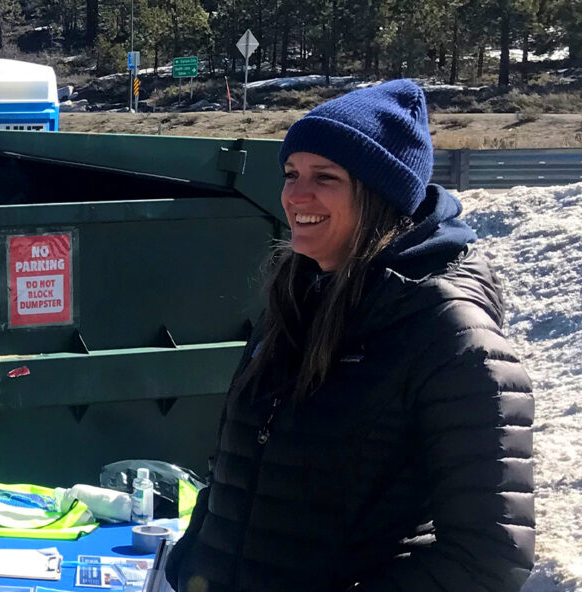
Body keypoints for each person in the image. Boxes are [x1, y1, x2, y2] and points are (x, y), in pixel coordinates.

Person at [165, 79, 535, 592]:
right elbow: (239, 465)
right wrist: (191, 561)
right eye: (291, 173)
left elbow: (489, 557)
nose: (295, 195)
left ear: (380, 195)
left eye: (326, 177)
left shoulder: (448, 333)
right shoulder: (298, 295)